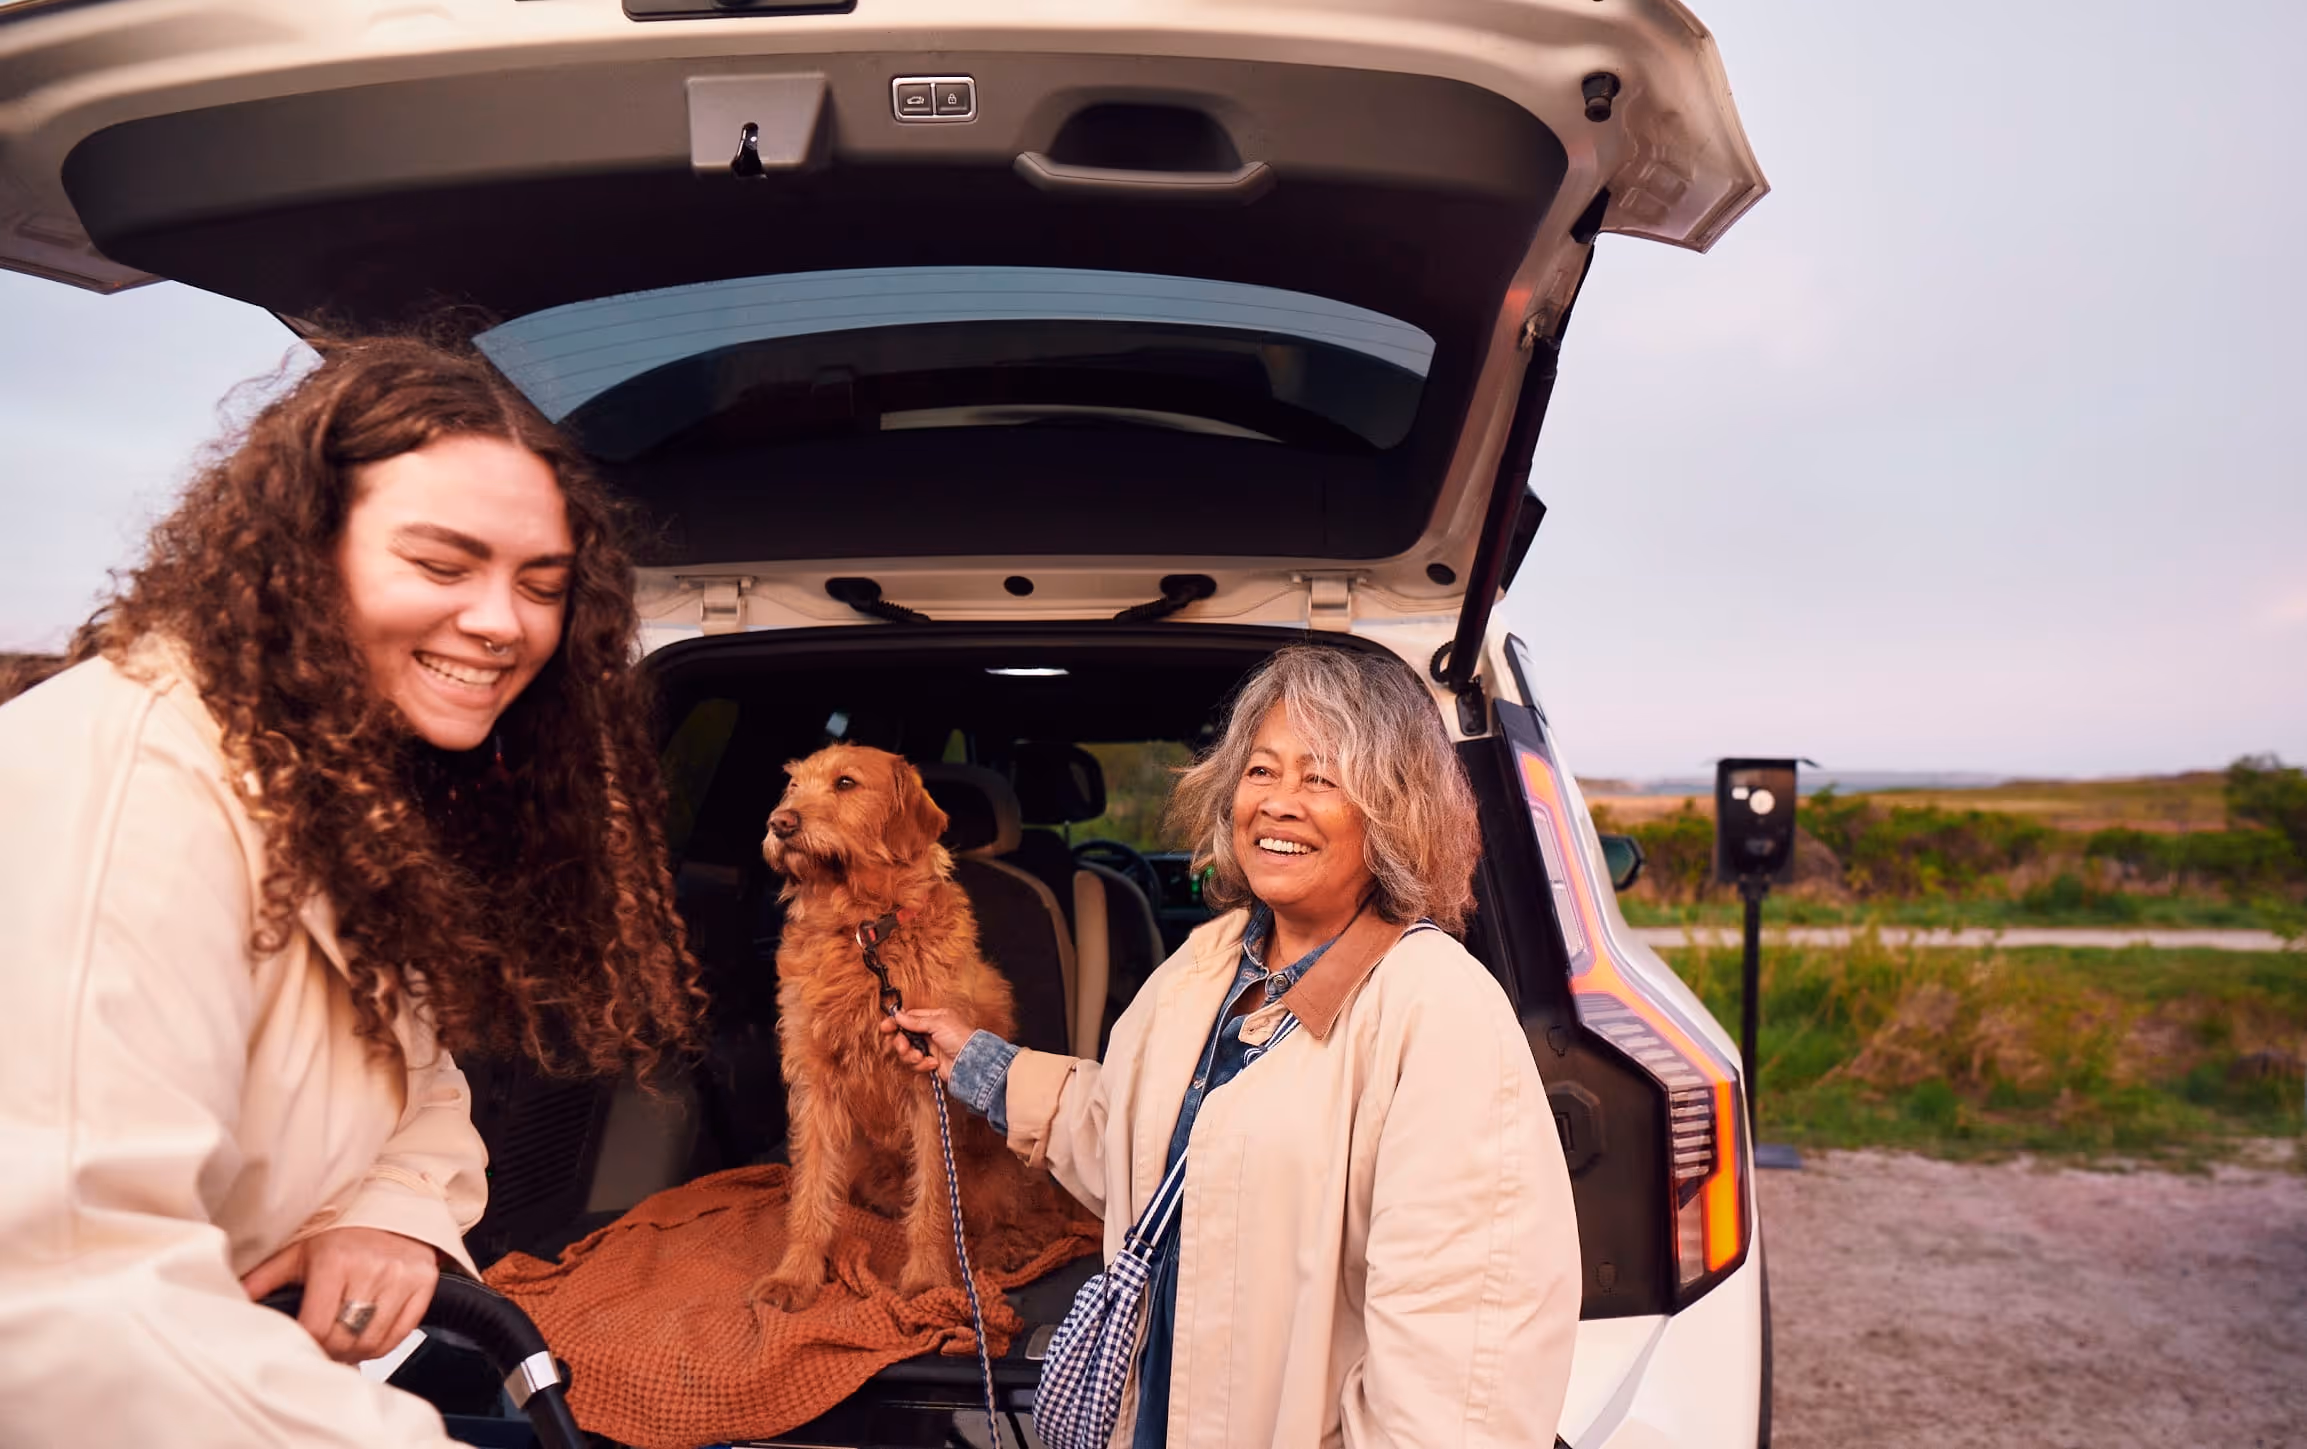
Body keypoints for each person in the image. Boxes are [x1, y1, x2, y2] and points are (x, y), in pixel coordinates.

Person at [0, 336, 705, 1448]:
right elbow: (58, 1309)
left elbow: (414, 1090)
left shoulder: (336, 797)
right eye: (441, 565)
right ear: (299, 556)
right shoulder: (132, 788)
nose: (500, 622)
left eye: (541, 585)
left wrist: (386, 1218)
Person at [883, 645, 1582, 1448]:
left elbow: (1459, 1373)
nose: (1279, 803)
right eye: (1261, 771)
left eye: (1320, 777)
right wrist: (977, 1062)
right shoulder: (1208, 962)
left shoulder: (1438, 1009)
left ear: (1393, 806)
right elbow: (1131, 1141)